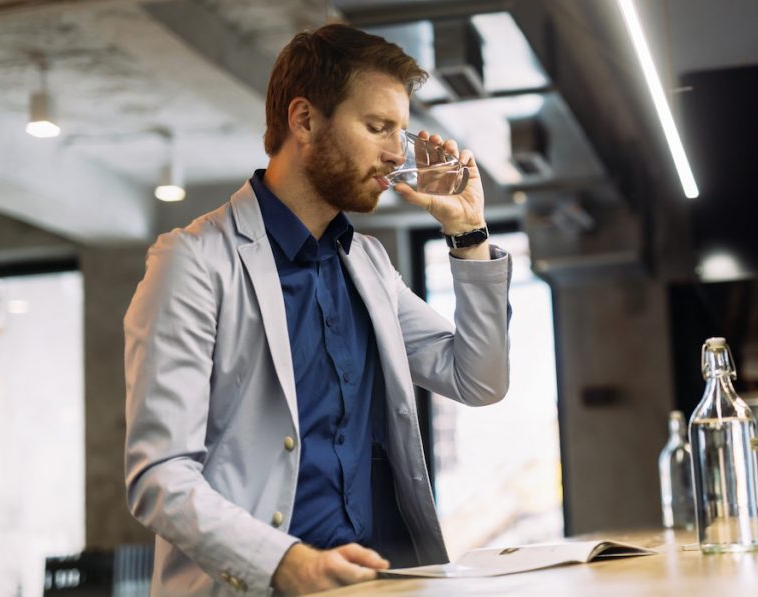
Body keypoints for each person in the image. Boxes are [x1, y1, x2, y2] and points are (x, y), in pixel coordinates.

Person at [123, 23, 511, 596]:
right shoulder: (194, 262)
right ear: (303, 120)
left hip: (381, 581)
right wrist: (286, 563)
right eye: (377, 126)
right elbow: (158, 476)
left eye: (399, 132)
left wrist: (467, 231)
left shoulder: (368, 263)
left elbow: (478, 380)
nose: (393, 154)